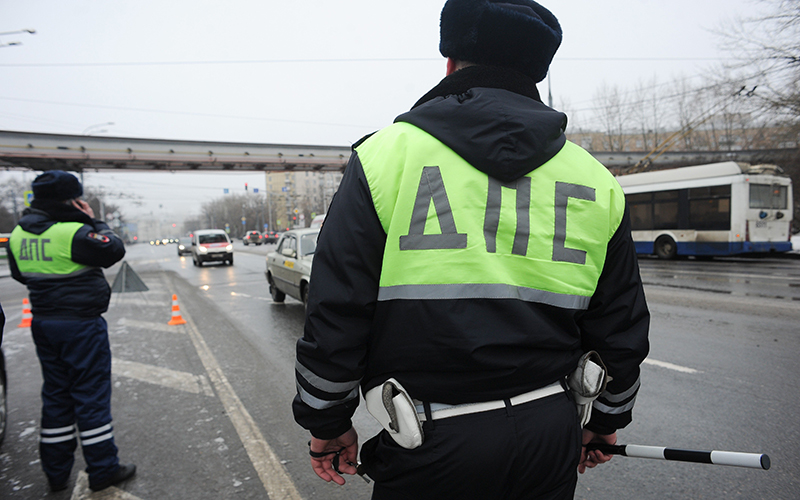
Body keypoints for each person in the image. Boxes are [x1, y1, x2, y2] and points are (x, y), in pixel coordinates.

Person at [292, 1, 650, 498]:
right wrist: (608, 417)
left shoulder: (385, 157)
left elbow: (336, 309)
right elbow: (621, 323)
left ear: (451, 63)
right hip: (550, 434)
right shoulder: (595, 180)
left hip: (430, 440)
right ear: (538, 71)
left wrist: (327, 422)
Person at [7, 170, 136, 492]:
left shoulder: (18, 235)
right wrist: (95, 221)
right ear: (72, 200)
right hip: (80, 325)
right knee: (90, 396)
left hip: (44, 323)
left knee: (56, 395)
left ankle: (56, 472)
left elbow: (22, 276)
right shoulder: (75, 233)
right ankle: (103, 469)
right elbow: (113, 250)